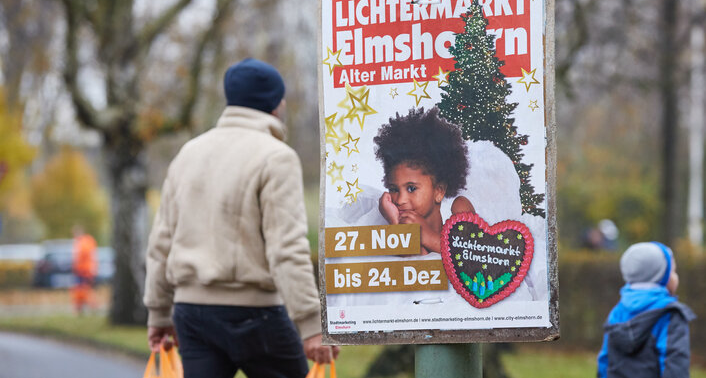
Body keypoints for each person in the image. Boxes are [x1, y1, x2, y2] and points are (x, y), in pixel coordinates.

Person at [144, 58, 338, 378]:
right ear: (276, 104)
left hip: (191, 316)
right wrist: (310, 325)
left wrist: (158, 313)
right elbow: (286, 248)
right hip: (255, 315)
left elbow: (161, 241)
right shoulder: (276, 157)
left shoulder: (188, 154)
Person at [374, 107, 474, 254]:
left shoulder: (460, 210)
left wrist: (429, 237)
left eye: (411, 188)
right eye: (394, 189)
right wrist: (396, 223)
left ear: (439, 191)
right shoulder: (400, 232)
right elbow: (416, 267)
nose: (400, 200)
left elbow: (472, 259)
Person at [597, 242, 696, 378]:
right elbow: (675, 367)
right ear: (662, 277)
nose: (675, 276)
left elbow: (604, 361)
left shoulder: (617, 312)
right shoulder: (670, 316)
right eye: (672, 271)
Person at [71, 225, 98, 315]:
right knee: (83, 289)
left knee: (83, 290)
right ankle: (83, 307)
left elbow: (82, 256)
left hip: (84, 270)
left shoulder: (83, 243)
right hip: (84, 270)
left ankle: (86, 307)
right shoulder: (86, 241)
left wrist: (77, 266)